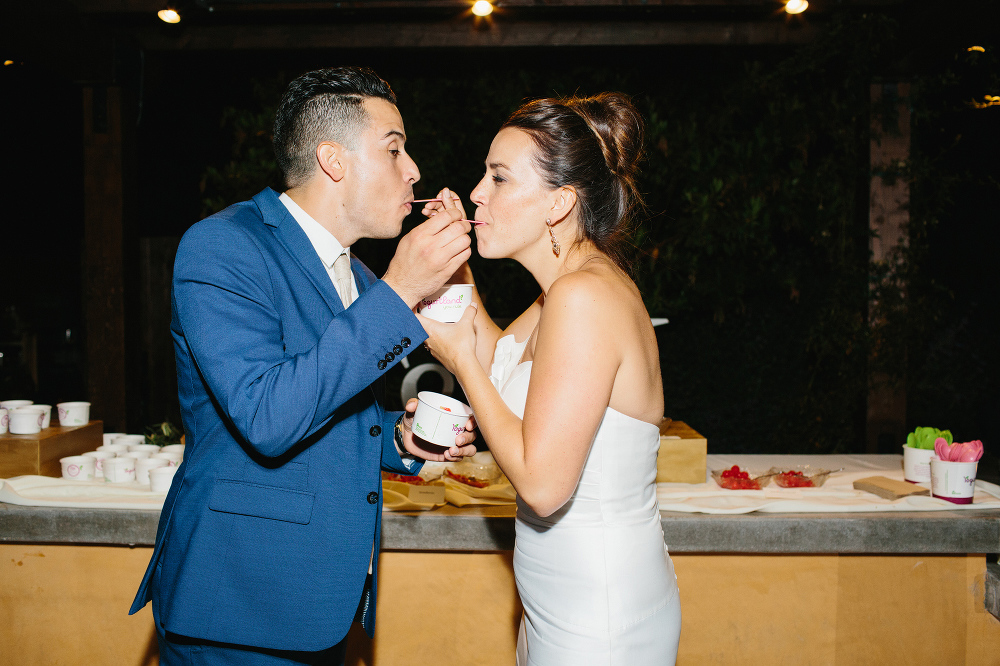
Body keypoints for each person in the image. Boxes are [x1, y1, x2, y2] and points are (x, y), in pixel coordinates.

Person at [129, 66, 478, 665]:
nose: (414, 168)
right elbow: (266, 415)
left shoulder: (358, 274)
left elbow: (332, 412)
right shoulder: (223, 247)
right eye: (394, 149)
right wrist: (398, 292)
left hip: (320, 606)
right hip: (238, 607)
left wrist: (397, 439)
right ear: (333, 160)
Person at [418, 93, 681, 664]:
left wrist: (458, 360)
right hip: (557, 605)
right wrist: (456, 263)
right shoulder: (563, 292)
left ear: (559, 203)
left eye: (499, 177)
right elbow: (498, 359)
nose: (476, 193)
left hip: (601, 616)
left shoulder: (584, 297)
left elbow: (542, 484)